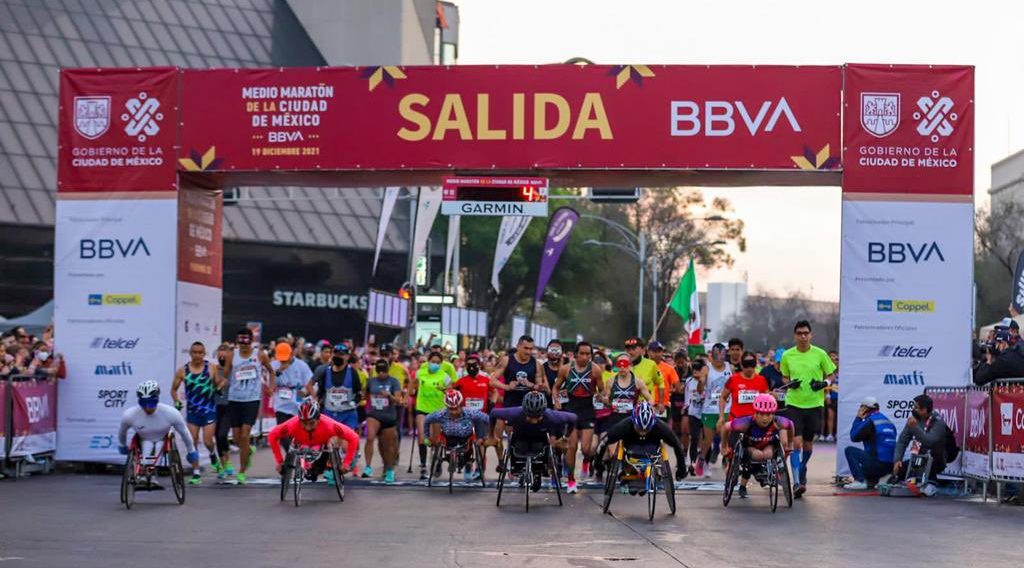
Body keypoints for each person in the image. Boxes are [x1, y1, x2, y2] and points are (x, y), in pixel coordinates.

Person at [780, 320, 836, 498]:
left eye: (806, 333)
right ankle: (796, 482)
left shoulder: (820, 354)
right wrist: (791, 384)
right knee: (796, 443)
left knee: (807, 444)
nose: (803, 336)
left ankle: (803, 469)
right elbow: (784, 378)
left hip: (814, 404)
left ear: (811, 335)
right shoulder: (788, 355)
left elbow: (832, 375)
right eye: (799, 333)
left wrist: (824, 383)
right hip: (794, 403)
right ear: (795, 335)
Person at [488, 391, 577, 492]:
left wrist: (565, 437)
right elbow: (493, 413)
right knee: (517, 448)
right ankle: (520, 470)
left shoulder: (551, 415)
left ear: (543, 412)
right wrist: (491, 436)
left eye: (537, 417)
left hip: (541, 440)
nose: (534, 420)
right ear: (525, 411)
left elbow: (573, 418)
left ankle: (539, 473)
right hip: (520, 439)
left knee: (549, 451)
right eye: (530, 416)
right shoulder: (515, 413)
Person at [220, 328, 276, 484]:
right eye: (240, 342)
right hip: (234, 400)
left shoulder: (259, 355)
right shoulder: (232, 355)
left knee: (245, 435)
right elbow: (225, 376)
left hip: (251, 400)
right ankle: (248, 450)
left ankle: (242, 472)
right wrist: (220, 384)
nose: (243, 345)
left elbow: (272, 372)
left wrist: (271, 388)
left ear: (251, 341)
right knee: (237, 438)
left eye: (246, 342)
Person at [118, 381, 199, 489]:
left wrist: (191, 451)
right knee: (148, 444)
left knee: (158, 445)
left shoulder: (171, 413)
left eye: (151, 404)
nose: (147, 408)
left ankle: (151, 473)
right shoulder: (130, 415)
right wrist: (122, 445)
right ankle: (144, 472)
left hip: (162, 438)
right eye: (143, 404)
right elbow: (122, 431)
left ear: (157, 400)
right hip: (143, 439)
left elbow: (184, 432)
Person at [597, 401, 687, 495]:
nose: (642, 432)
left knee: (671, 444)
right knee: (622, 452)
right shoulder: (624, 425)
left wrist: (681, 470)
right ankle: (629, 473)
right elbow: (603, 442)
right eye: (640, 429)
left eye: (646, 429)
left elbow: (677, 446)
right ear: (634, 421)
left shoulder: (660, 427)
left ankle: (650, 473)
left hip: (651, 447)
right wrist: (598, 464)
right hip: (631, 447)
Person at [552, 341, 605, 493]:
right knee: (572, 447)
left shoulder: (595, 370)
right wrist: (556, 400)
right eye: (582, 353)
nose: (585, 357)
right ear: (576, 354)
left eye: (588, 354)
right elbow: (555, 388)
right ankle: (570, 480)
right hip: (571, 410)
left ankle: (587, 462)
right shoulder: (565, 369)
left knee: (587, 449)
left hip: (588, 410)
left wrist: (603, 397)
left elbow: (602, 391)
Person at [170, 342, 225, 484]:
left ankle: (213, 455)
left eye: (200, 352)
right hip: (193, 412)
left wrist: (219, 387)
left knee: (207, 441)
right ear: (190, 353)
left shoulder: (211, 368)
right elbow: (173, 390)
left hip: (209, 410)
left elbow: (220, 382)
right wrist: (176, 401)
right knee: (192, 441)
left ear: (204, 353)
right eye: (194, 352)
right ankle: (196, 473)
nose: (197, 355)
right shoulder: (182, 371)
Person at [721, 394, 794, 498]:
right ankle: (750, 477)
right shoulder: (745, 422)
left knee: (768, 454)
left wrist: (790, 444)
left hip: (768, 445)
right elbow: (726, 427)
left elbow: (791, 425)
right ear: (755, 413)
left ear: (773, 414)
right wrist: (724, 446)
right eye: (761, 414)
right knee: (758, 455)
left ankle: (764, 472)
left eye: (769, 414)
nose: (765, 418)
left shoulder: (778, 421)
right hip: (750, 446)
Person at [267, 400, 359, 482]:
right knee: (302, 450)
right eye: (304, 423)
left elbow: (354, 438)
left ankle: (323, 467)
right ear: (299, 420)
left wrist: (346, 463)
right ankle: (308, 466)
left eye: (311, 423)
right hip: (302, 444)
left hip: (322, 446)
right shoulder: (292, 425)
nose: (308, 427)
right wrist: (280, 461)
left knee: (327, 451)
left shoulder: (329, 425)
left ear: (318, 419)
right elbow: (272, 436)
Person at [423, 389, 490, 481]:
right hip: (448, 439)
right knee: (438, 442)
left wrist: (486, 434)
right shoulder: (440, 414)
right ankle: (438, 463)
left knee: (474, 444)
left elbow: (488, 419)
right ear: (446, 406)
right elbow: (427, 420)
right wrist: (427, 436)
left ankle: (469, 465)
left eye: (456, 408)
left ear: (460, 405)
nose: (454, 412)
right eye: (451, 409)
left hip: (466, 439)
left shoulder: (470, 412)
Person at [892, 394, 950, 496]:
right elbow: (902, 441)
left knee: (932, 455)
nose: (913, 410)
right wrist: (897, 459)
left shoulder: (937, 422)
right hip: (918, 458)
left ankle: (932, 484)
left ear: (924, 410)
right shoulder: (914, 419)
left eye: (916, 408)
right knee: (899, 470)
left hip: (935, 459)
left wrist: (914, 428)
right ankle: (911, 480)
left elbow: (929, 441)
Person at [412, 351, 453, 479]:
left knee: (435, 441)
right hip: (422, 409)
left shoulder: (445, 376)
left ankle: (437, 461)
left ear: (441, 364)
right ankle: (423, 466)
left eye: (437, 362)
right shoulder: (421, 373)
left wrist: (445, 390)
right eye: (432, 362)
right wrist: (407, 396)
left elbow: (451, 391)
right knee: (422, 437)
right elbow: (412, 386)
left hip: (437, 411)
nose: (434, 364)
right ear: (428, 361)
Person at [270, 341, 313, 457]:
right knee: (283, 434)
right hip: (281, 404)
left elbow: (311, 383)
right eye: (281, 358)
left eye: (285, 358)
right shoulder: (274, 365)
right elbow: (271, 385)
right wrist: (279, 371)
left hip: (297, 402)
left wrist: (306, 392)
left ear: (291, 354)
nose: (283, 361)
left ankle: (298, 458)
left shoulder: (302, 365)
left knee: (296, 435)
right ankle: (292, 458)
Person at [363, 359, 404, 483]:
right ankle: (368, 467)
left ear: (387, 371)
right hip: (374, 414)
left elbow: (398, 400)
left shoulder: (394, 381)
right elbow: (365, 395)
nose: (381, 374)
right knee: (370, 437)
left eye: (384, 371)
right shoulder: (371, 381)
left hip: (389, 416)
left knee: (387, 445)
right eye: (379, 371)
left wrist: (389, 396)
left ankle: (389, 469)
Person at [844, 396, 897, 490]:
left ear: (864, 408)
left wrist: (858, 418)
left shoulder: (870, 421)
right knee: (866, 466)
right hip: (890, 466)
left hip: (877, 464)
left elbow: (854, 437)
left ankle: (860, 481)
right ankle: (882, 477)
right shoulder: (888, 421)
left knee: (849, 451)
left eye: (861, 407)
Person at [307, 343, 362, 429]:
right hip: (329, 414)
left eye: (341, 354)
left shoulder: (352, 372)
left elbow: (359, 393)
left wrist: (352, 403)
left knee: (345, 441)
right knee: (330, 440)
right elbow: (320, 392)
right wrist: (316, 402)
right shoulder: (325, 372)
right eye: (335, 353)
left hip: (347, 414)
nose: (338, 356)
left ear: (347, 357)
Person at [699, 343, 731, 478]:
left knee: (727, 437)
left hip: (727, 408)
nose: (719, 358)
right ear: (711, 355)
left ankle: (727, 461)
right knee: (708, 440)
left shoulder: (730, 368)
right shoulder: (706, 368)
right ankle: (702, 461)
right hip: (709, 409)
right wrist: (701, 381)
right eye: (716, 355)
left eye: (722, 355)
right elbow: (700, 390)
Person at [718, 351, 770, 434]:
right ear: (741, 365)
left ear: (755, 365)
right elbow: (723, 397)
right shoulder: (733, 379)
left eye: (752, 364)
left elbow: (767, 399)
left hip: (755, 422)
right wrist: (721, 416)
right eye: (746, 365)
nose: (749, 368)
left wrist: (772, 395)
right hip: (736, 421)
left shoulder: (761, 380)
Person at [490, 335, 548, 409]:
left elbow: (540, 389)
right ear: (518, 346)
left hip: (529, 408)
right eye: (526, 348)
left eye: (531, 349)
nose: (528, 352)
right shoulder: (507, 360)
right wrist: (507, 387)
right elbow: (492, 381)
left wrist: (532, 385)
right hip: (510, 405)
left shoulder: (536, 364)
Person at [624, 337, 665, 416]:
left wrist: (661, 403)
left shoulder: (651, 365)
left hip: (645, 409)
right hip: (625, 409)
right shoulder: (621, 366)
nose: (630, 352)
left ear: (643, 350)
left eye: (633, 349)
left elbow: (660, 382)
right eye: (628, 349)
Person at [683, 358, 707, 477]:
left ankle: (704, 463)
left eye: (698, 370)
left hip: (707, 413)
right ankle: (692, 462)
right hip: (693, 413)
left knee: (707, 439)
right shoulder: (688, 381)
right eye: (694, 370)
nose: (695, 373)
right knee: (694, 437)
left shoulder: (708, 381)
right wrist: (686, 406)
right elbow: (687, 396)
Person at [649, 341, 679, 421]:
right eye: (655, 351)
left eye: (659, 351)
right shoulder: (643, 366)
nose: (657, 354)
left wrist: (670, 391)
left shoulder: (669, 369)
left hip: (662, 405)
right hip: (646, 404)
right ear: (649, 352)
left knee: (661, 431)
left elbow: (678, 387)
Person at [823, 350, 840, 442]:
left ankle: (837, 433)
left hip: (840, 397)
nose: (834, 360)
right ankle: (829, 434)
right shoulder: (828, 370)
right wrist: (828, 395)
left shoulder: (842, 370)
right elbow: (827, 383)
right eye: (832, 358)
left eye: (836, 359)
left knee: (839, 416)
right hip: (831, 396)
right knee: (830, 416)